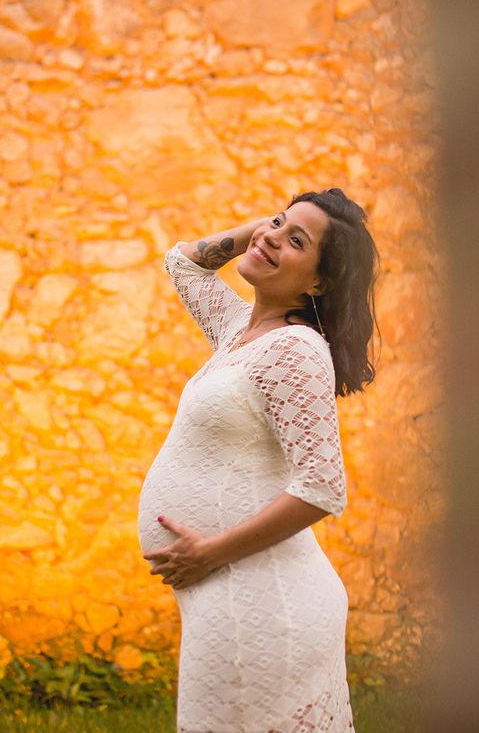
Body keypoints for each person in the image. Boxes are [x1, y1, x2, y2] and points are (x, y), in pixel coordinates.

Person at [138, 188, 379, 733]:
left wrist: (210, 553)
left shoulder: (295, 349)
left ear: (319, 283)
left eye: (298, 241)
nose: (270, 235)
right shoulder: (239, 331)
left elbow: (322, 487)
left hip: (261, 597)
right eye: (276, 221)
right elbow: (185, 263)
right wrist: (274, 234)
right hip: (234, 594)